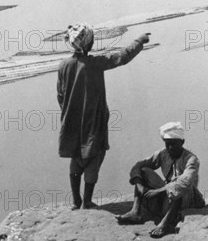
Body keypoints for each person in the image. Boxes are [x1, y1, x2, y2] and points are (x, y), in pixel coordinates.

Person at [57, 22, 151, 210]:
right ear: (88, 44)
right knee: (94, 156)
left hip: (72, 121)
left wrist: (69, 112)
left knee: (76, 158)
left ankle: (76, 200)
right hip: (93, 122)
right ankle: (87, 202)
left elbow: (60, 95)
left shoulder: (64, 65)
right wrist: (140, 41)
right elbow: (121, 57)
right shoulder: (94, 64)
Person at [116, 122, 205, 237]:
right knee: (143, 170)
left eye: (173, 144)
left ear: (182, 142)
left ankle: (164, 224)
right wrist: (140, 186)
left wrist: (158, 191)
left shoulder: (191, 159)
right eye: (167, 144)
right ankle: (135, 212)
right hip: (167, 197)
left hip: (186, 200)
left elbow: (185, 182)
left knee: (178, 185)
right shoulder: (163, 153)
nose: (170, 147)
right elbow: (139, 165)